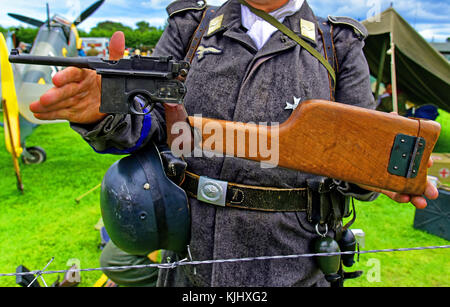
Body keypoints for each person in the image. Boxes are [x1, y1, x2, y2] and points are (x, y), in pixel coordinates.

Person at [30, 0, 438, 287]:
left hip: (294, 262)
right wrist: (103, 110)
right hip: (191, 255)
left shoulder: (338, 43)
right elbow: (149, 122)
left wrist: (375, 178)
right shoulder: (189, 27)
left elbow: (362, 154)